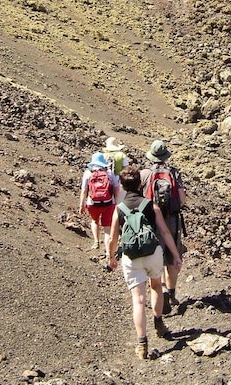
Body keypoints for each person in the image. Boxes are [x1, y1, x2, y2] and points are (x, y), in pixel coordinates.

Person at [107, 165, 181, 360]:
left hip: (131, 257)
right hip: (152, 252)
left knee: (138, 299)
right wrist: (175, 255)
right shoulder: (151, 205)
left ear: (122, 187)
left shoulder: (119, 209)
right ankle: (158, 322)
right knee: (156, 285)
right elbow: (164, 232)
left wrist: (111, 256)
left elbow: (113, 238)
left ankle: (142, 343)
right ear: (140, 184)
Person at [140, 140, 186, 315]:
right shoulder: (174, 173)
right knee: (173, 257)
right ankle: (171, 293)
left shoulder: (144, 174)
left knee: (154, 257)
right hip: (172, 221)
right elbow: (182, 199)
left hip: (151, 221)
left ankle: (158, 291)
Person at [78, 152, 120, 251]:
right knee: (107, 227)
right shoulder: (109, 173)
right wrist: (117, 202)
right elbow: (116, 189)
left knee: (95, 221)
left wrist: (82, 205)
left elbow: (84, 191)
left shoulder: (88, 173)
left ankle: (96, 241)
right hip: (109, 203)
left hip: (92, 203)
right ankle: (108, 250)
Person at [102, 136, 130, 203]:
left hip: (106, 181)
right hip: (119, 181)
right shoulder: (122, 155)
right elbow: (126, 169)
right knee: (119, 203)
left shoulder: (104, 156)